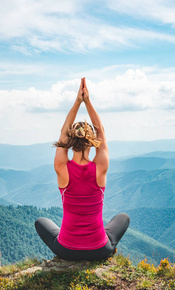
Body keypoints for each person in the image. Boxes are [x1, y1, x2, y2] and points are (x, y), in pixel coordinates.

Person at [35, 77, 130, 261]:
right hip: (99, 250)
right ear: (92, 141)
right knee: (123, 217)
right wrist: (87, 101)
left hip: (66, 250)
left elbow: (63, 133)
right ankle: (105, 246)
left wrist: (77, 102)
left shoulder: (62, 168)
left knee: (41, 222)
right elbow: (100, 130)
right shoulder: (100, 168)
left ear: (70, 142)